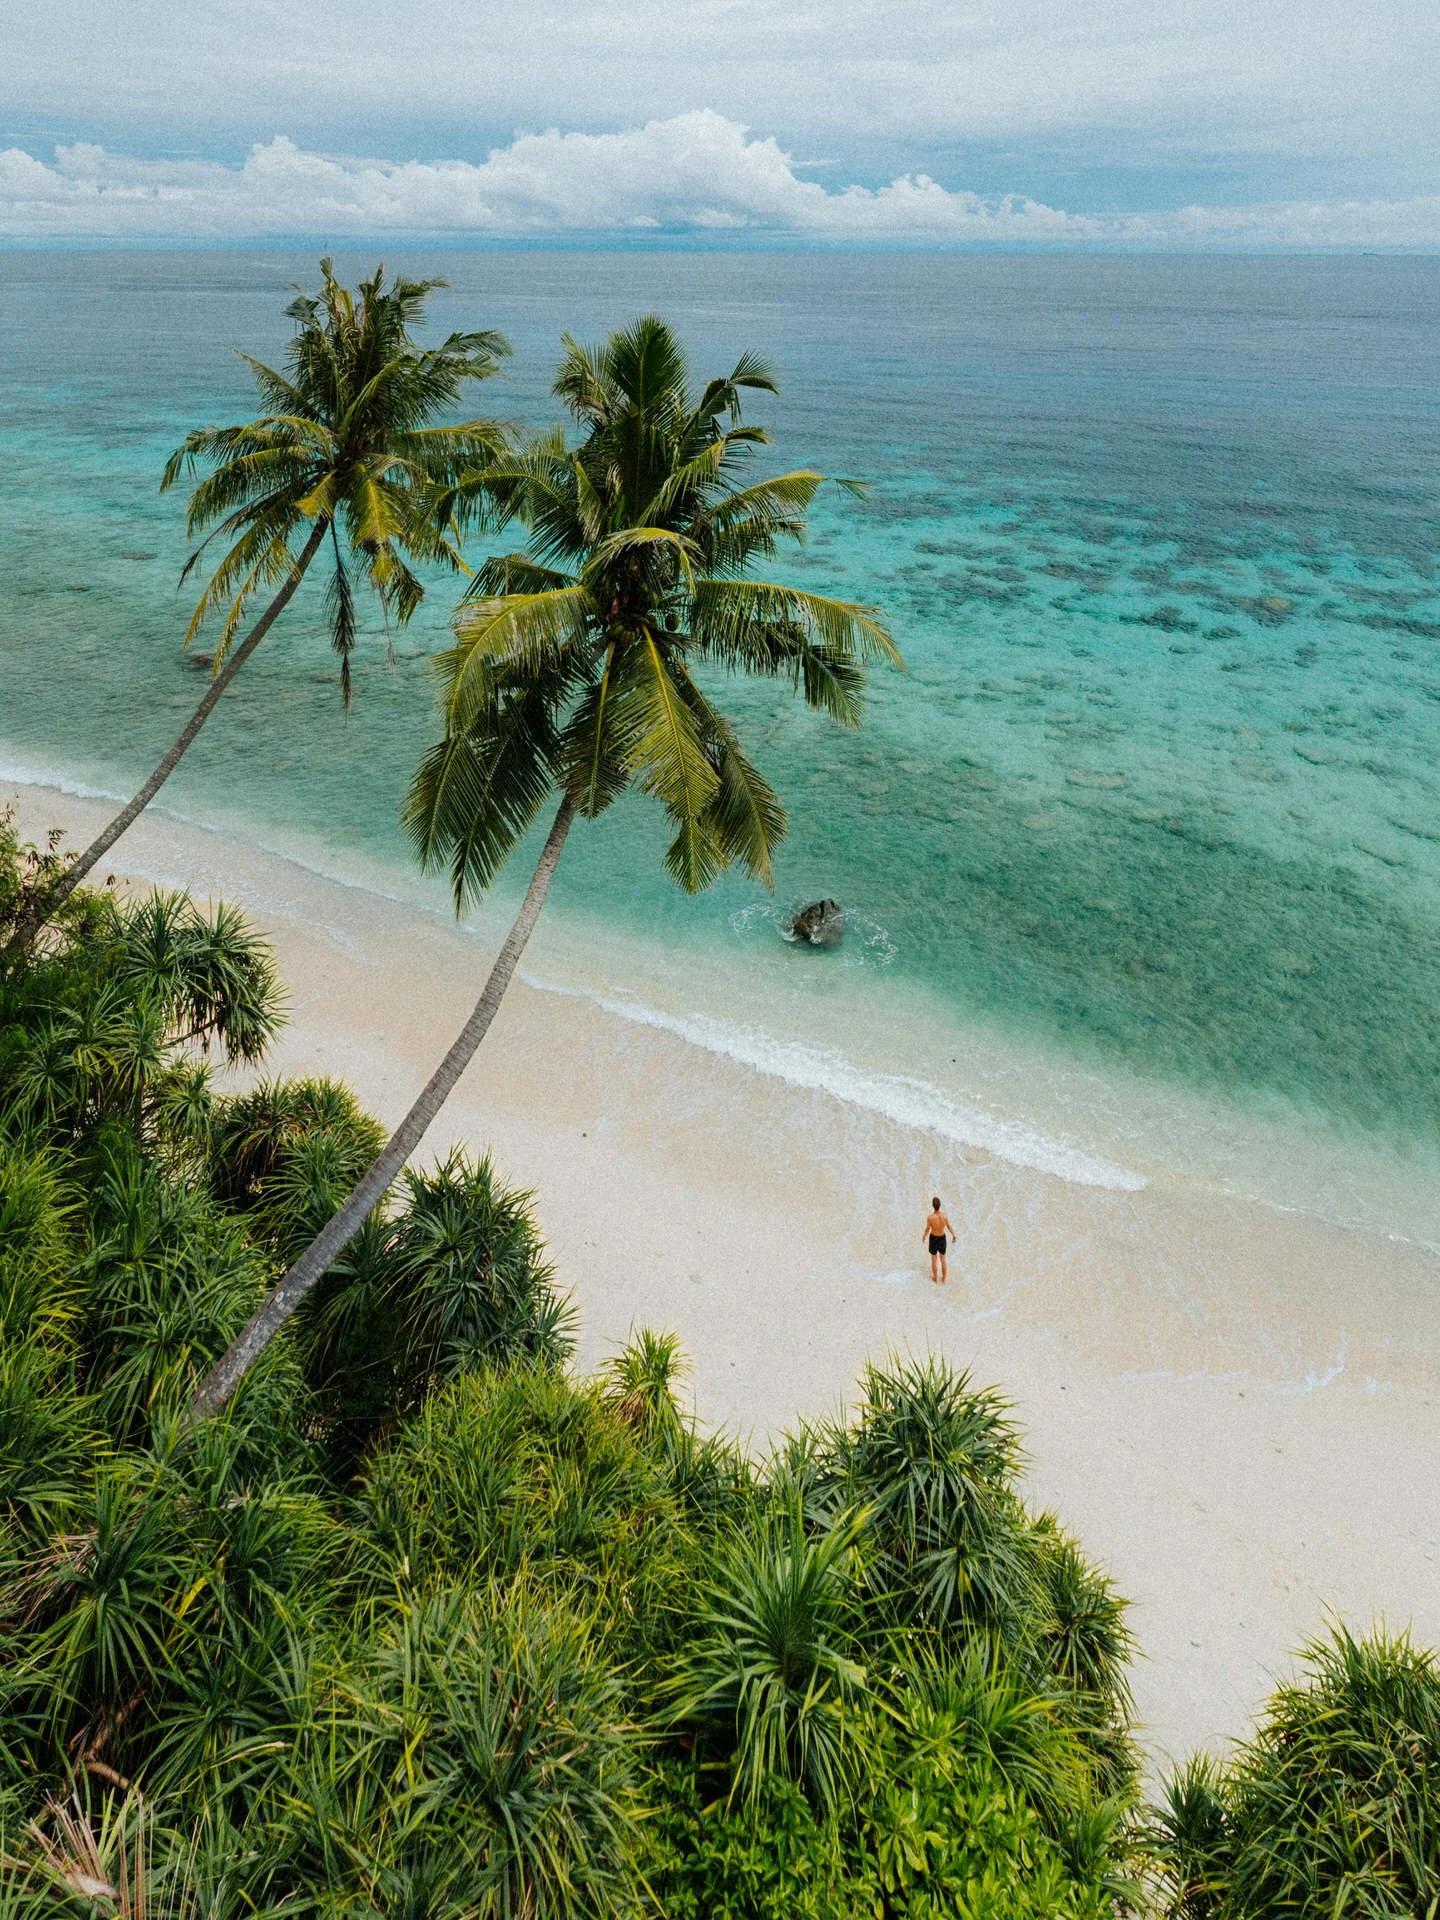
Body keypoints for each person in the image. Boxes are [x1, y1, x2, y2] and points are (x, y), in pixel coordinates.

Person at [923, 1195, 955, 1284]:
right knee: (943, 1259)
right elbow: (949, 1227)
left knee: (934, 1259)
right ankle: (944, 1279)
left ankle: (935, 1278)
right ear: (940, 1205)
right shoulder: (944, 1216)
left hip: (933, 1238)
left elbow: (927, 1229)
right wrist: (954, 1235)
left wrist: (924, 1236)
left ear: (933, 1206)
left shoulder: (930, 1217)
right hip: (942, 1238)